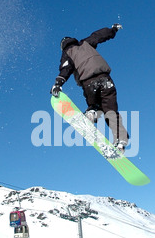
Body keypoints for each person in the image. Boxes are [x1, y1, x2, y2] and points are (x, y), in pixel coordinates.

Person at [50, 24, 129, 153]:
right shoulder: (86, 43)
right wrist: (113, 29)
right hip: (106, 79)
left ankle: (91, 114)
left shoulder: (68, 52)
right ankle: (121, 141)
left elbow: (66, 68)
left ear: (63, 46)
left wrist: (58, 83)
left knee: (95, 104)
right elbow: (99, 35)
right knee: (111, 111)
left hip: (89, 82)